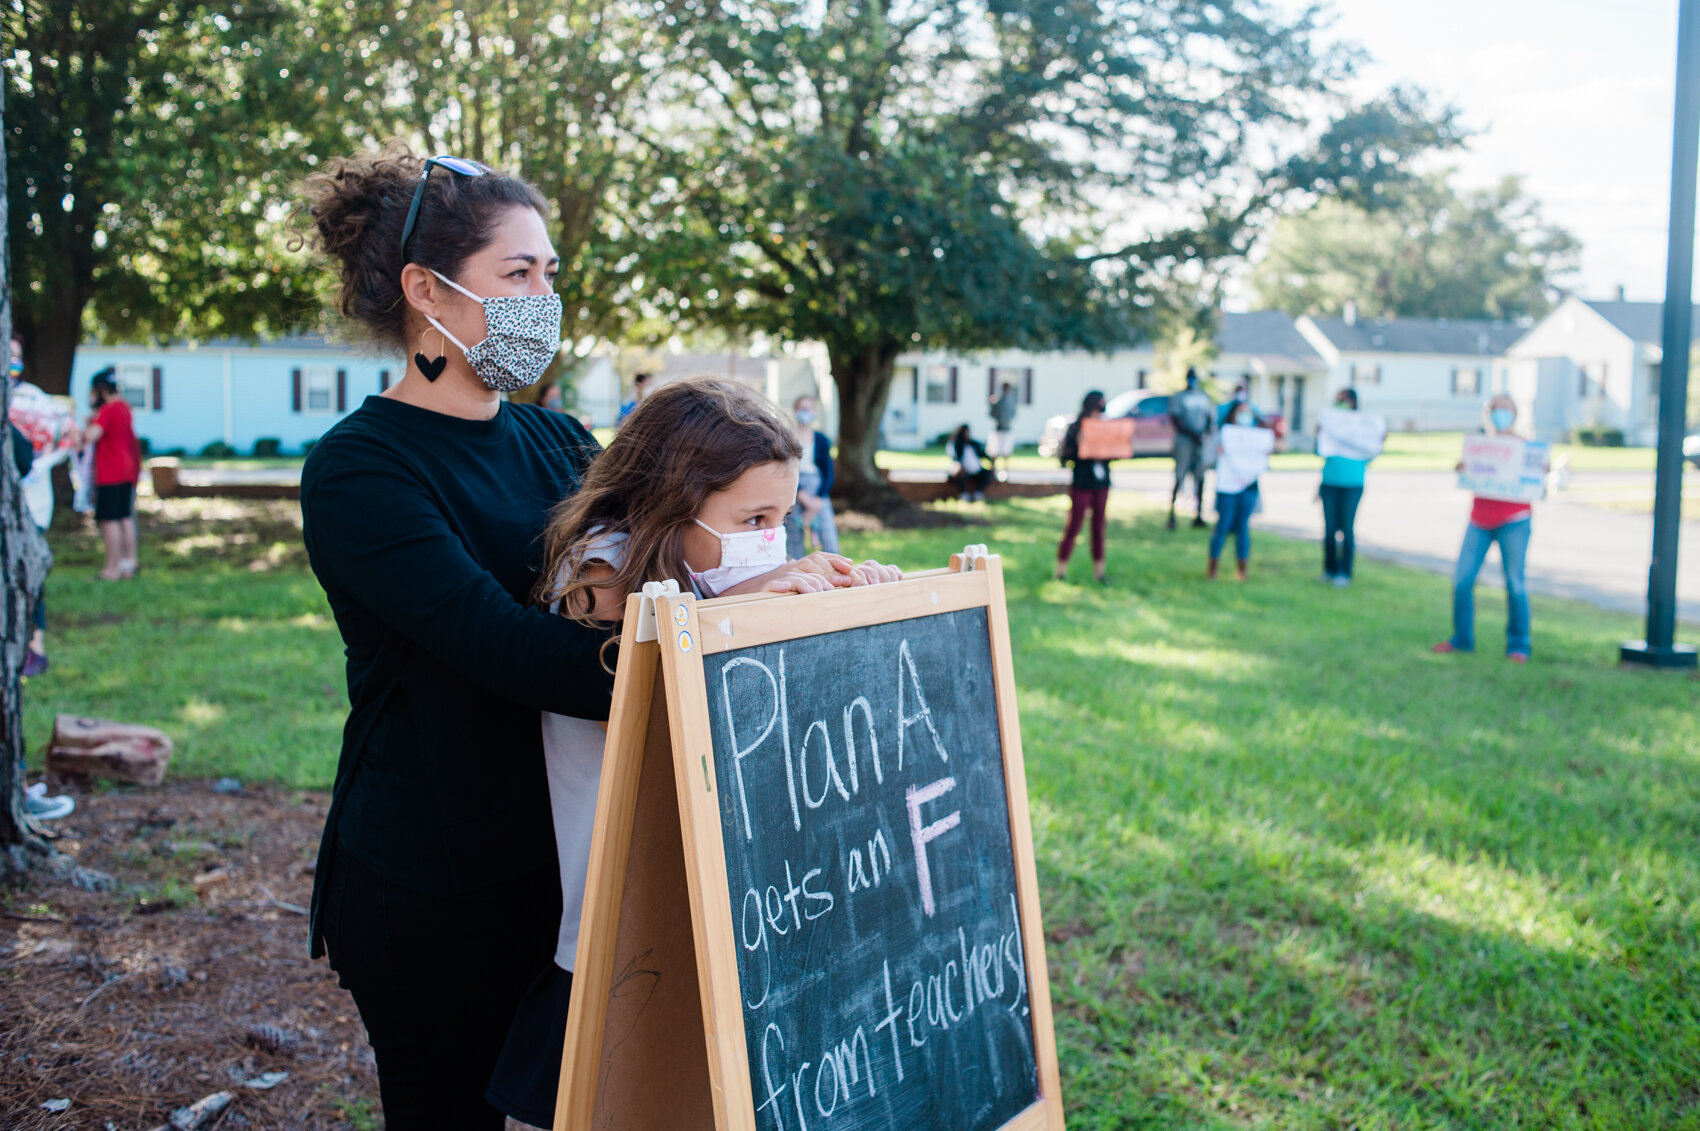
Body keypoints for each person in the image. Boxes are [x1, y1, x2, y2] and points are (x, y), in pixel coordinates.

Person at [296, 145, 619, 1129]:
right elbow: (507, 650)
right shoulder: (360, 471)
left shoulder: (558, 442)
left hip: (568, 864)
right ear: (423, 289)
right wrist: (695, 663)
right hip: (432, 882)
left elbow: (665, 575)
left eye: (548, 275)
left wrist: (770, 590)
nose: (542, 299)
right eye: (516, 274)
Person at [486, 378, 901, 1127]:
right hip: (616, 929)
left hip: (747, 912)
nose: (774, 536)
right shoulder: (601, 571)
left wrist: (854, 607)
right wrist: (760, 597)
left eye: (781, 516)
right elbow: (647, 681)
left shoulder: (734, 572)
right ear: (672, 503)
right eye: (753, 518)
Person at [1433, 394, 1544, 663]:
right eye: (1496, 408)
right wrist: (1461, 468)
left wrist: (1544, 469)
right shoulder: (1480, 446)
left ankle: (1519, 646)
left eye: (1506, 408)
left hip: (1514, 520)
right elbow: (1471, 474)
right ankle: (1462, 639)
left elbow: (1537, 480)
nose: (1500, 413)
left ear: (1515, 413)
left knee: (1515, 584)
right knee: (1462, 581)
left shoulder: (1526, 447)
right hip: (1479, 520)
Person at [8, 335, 78, 674]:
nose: (12, 362)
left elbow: (65, 438)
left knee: (29, 572)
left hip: (31, 505)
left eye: (16, 356)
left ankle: (36, 647)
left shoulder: (34, 399)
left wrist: (41, 464)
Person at [1317, 388, 1381, 587]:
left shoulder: (1365, 425)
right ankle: (1329, 569)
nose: (1341, 403)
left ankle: (1345, 572)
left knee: (1347, 529)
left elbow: (1373, 451)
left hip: (1353, 483)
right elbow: (1319, 451)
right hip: (1329, 482)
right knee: (1329, 530)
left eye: (1344, 399)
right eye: (1338, 399)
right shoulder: (1330, 422)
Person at [83, 367, 141, 580]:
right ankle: (129, 563)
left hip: (110, 472)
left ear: (100, 390)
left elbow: (92, 436)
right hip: (127, 470)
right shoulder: (125, 407)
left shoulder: (108, 410)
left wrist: (84, 426)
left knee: (109, 520)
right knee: (125, 517)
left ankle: (111, 569)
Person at [1207, 401, 1274, 581]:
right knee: (1223, 525)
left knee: (1243, 527)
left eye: (1248, 412)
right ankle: (1212, 568)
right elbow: (1207, 456)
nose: (1245, 415)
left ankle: (1242, 570)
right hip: (1227, 486)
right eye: (1241, 412)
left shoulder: (1257, 436)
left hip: (1248, 486)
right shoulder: (1224, 433)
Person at [1055, 390, 1111, 584]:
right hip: (1082, 482)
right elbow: (1065, 457)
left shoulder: (1106, 425)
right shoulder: (1076, 427)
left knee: (1098, 527)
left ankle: (1100, 572)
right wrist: (1079, 445)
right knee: (1074, 526)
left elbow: (1116, 451)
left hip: (1101, 483)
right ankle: (1060, 571)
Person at [784, 393, 839, 556]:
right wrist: (801, 495)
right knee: (793, 539)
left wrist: (818, 499)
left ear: (814, 412)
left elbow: (828, 472)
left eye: (808, 409)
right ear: (795, 411)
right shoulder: (788, 439)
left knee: (829, 538)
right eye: (801, 409)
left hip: (818, 491)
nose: (805, 412)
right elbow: (786, 469)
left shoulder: (821, 439)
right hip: (794, 488)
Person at [1167, 367, 1214, 530]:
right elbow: (1175, 418)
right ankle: (1171, 516)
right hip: (1184, 442)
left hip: (1199, 442)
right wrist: (1192, 433)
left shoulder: (1203, 397)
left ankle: (1198, 514)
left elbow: (1209, 418)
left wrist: (1203, 434)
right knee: (1179, 475)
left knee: (1200, 477)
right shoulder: (1179, 397)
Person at [948, 423, 994, 501]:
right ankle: (964, 494)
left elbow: (984, 455)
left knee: (988, 473)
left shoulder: (974, 444)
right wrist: (958, 466)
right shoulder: (956, 444)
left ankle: (978, 493)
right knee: (959, 472)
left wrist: (992, 462)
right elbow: (955, 458)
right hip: (963, 471)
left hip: (977, 471)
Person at [987, 380, 1018, 480]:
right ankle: (992, 473)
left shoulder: (1011, 401)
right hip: (998, 430)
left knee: (1006, 453)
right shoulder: (998, 401)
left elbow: (1013, 414)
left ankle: (1005, 473)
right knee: (994, 452)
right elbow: (992, 414)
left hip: (1007, 430)